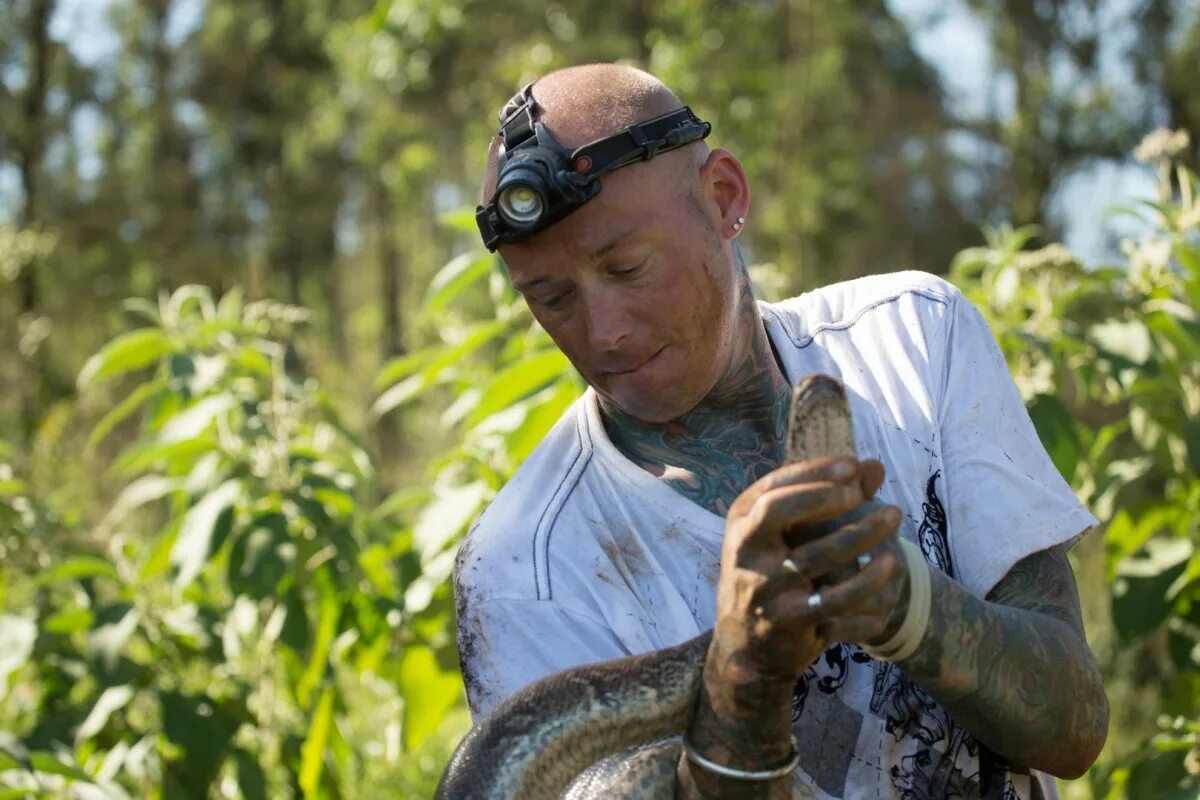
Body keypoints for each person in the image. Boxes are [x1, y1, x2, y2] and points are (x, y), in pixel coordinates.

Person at [452, 63, 1108, 799]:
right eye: (550, 296)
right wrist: (742, 682)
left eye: (628, 267)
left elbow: (1074, 725)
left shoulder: (915, 340)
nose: (601, 333)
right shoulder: (523, 571)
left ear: (723, 197)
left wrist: (908, 606)